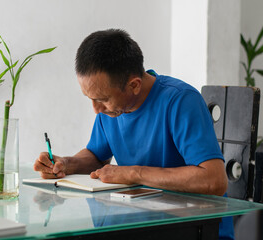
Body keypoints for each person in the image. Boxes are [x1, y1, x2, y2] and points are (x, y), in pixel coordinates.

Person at [34, 29, 234, 240]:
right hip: (144, 224)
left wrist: (133, 173)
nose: (95, 109)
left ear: (134, 85)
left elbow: (214, 181)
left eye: (102, 99)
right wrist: (67, 163)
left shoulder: (181, 101)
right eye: (89, 99)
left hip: (196, 229)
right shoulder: (111, 110)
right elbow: (96, 156)